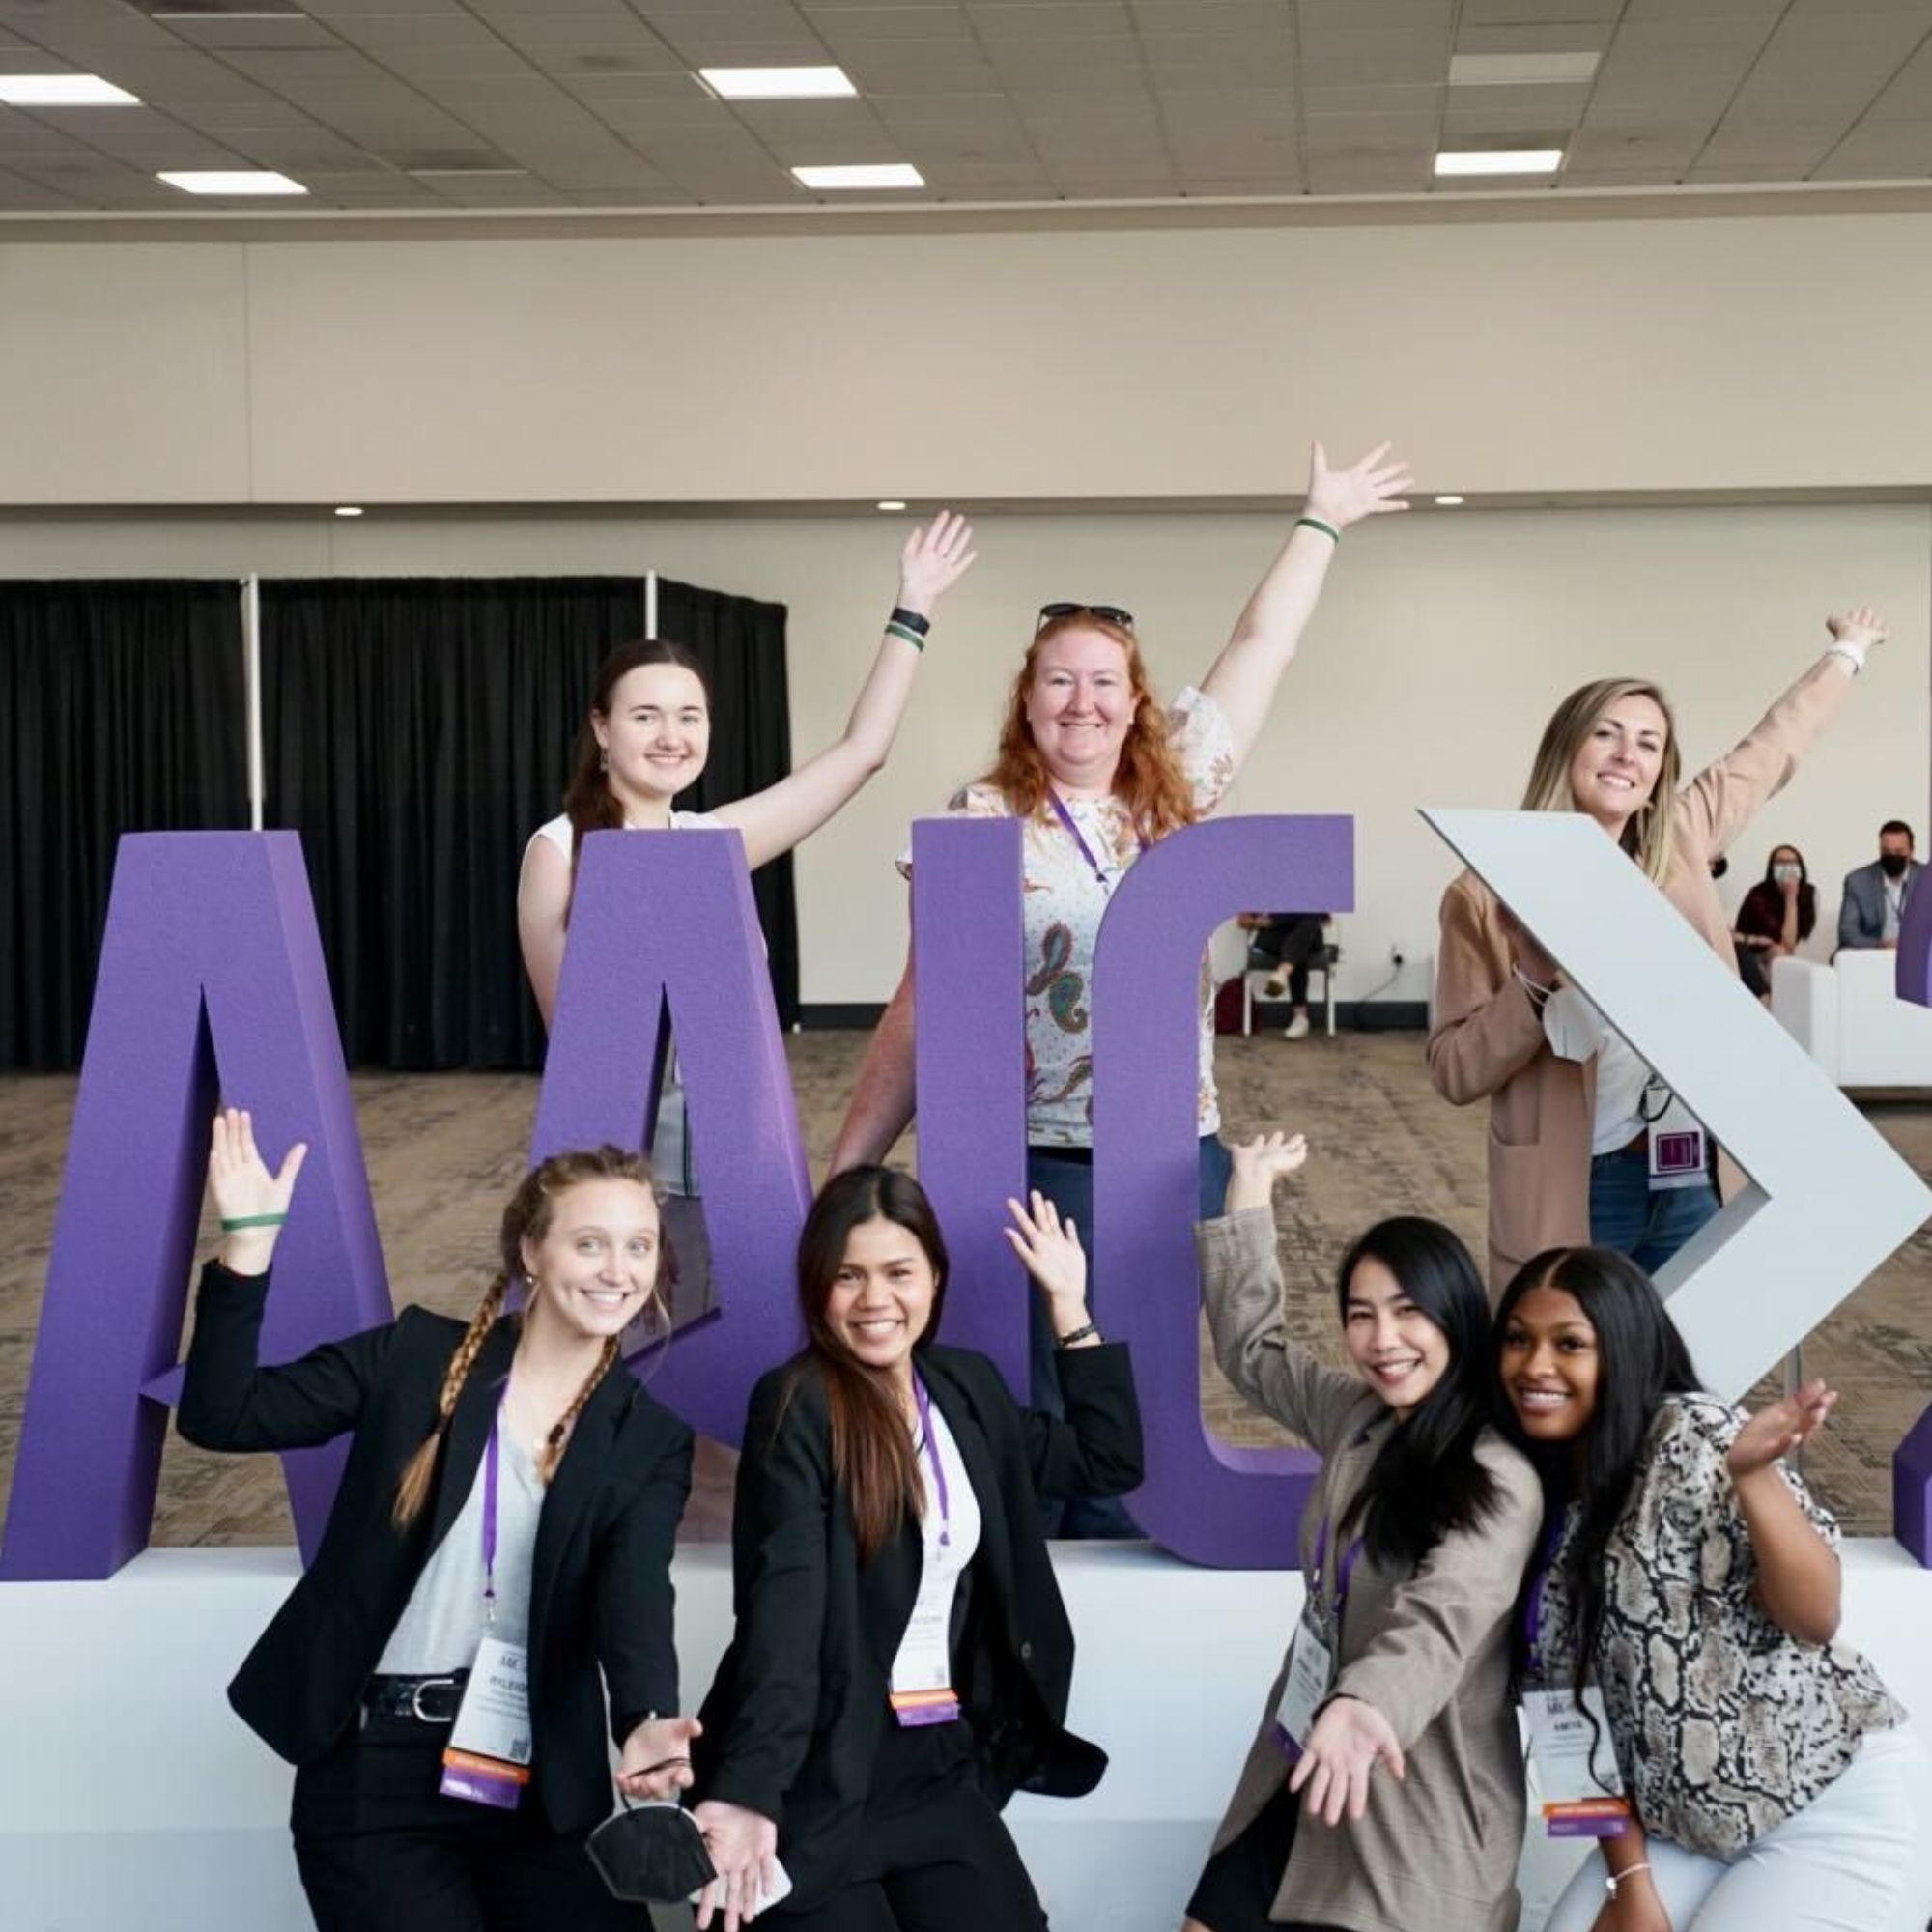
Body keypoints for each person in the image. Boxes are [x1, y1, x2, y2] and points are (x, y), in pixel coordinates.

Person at [832, 441, 1413, 1534]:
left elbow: (1262, 644)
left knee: (1135, 1392)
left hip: (1161, 1149)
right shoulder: (979, 815)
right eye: (1059, 678)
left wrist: (1320, 520)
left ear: (1135, 698)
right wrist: (850, 1158)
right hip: (1022, 1149)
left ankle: (1123, 1608)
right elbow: (922, 1004)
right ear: (1027, 696)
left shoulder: (1176, 787)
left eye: (1104, 680)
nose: (1082, 700)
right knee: (1027, 1398)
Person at [177, 1111, 699, 1932]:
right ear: (532, 1252)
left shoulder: (648, 1439)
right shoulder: (415, 1359)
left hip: (537, 1778)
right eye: (589, 1243)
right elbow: (222, 1416)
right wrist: (244, 1250)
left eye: (638, 1245)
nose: (617, 1270)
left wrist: (642, 1720)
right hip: (371, 1774)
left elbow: (634, 1598)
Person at [517, 514, 975, 1323]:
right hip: (624, 1176)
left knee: (740, 1388)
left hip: (736, 1165)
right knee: (630, 1382)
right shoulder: (559, 851)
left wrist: (915, 606)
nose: (671, 735)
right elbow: (578, 1045)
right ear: (600, 728)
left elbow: (861, 751)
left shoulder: (712, 842)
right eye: (646, 715)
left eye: (689, 716)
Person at [686, 1168, 1141, 1930]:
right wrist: (750, 1793)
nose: (875, 1301)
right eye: (848, 1277)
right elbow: (783, 1615)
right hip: (818, 1775)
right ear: (817, 1287)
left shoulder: (967, 1390)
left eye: (898, 1273)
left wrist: (1068, 1307)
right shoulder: (796, 1404)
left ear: (935, 1275)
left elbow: (1108, 1462)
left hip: (938, 1767)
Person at [1427, 607, 1888, 1291]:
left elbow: (1769, 753)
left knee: (1692, 1375)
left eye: (1648, 743)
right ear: (1565, 749)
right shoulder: (1484, 891)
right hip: (1580, 1182)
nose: (1627, 756)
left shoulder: (1682, 841)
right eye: (1606, 735)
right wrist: (1531, 979)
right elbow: (1453, 1069)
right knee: (1586, 1376)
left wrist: (1848, 651)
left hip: (1694, 1170)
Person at [1495, 1246, 1932, 1932]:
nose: (1535, 1366)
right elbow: (1563, 1720)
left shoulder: (1694, 1437)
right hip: (1688, 1831)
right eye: (1518, 1340)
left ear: (1626, 1351)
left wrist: (1754, 1478)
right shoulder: (1529, 1490)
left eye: (1569, 1344)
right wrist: (1632, 1886)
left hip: (1824, 1806)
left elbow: (1815, 1617)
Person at [1184, 1130, 1542, 1932]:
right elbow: (1254, 1353)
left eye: (1409, 1314)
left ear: (1457, 1318)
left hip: (1413, 1788)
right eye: (1362, 1316)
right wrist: (1249, 1189)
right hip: (1302, 1759)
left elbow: (1441, 1622)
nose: (1384, 1341)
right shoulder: (1360, 1420)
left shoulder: (1499, 1473)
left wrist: (1364, 1706)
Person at [1731, 843, 1816, 999]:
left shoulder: (1807, 893)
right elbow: (1737, 936)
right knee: (1778, 952)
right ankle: (1766, 1000)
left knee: (1779, 952)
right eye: (1781, 863)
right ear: (1772, 867)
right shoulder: (1758, 894)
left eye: (1792, 863)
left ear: (1800, 867)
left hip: (1778, 953)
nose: (1787, 867)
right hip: (1751, 952)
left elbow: (1789, 945)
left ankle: (1771, 1002)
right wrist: (1757, 940)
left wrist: (1791, 898)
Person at [1239, 911, 1332, 1039]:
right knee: (1301, 942)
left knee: (1309, 921)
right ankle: (1300, 1016)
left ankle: (1284, 970)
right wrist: (1260, 922)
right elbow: (1243, 921)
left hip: (1306, 933)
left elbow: (1327, 920)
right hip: (1274, 938)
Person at [1836, 819, 1923, 952]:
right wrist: (1880, 945)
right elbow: (1847, 933)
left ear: (1911, 852)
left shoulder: (1926, 879)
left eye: (1899, 852)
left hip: (1917, 953)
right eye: (1886, 852)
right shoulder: (1858, 881)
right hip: (1874, 954)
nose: (1892, 856)